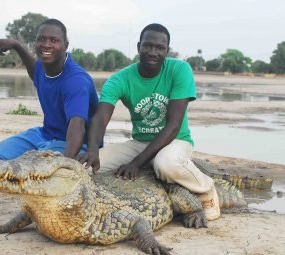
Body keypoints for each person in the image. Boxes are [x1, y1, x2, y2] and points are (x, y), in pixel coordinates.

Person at [78, 23, 220, 221]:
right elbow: (100, 118)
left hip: (175, 140)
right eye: (147, 46)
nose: (153, 52)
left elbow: (174, 125)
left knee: (166, 164)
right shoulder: (119, 79)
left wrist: (137, 163)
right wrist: (92, 149)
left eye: (159, 47)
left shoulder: (180, 69)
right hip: (140, 142)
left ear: (167, 51)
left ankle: (206, 188)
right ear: (139, 47)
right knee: (83, 168)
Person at [0, 19, 98, 160]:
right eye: (41, 39)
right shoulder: (42, 68)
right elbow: (35, 72)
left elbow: (78, 126)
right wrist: (16, 45)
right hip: (45, 134)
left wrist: (65, 163)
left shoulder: (76, 80)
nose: (46, 45)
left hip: (76, 143)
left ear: (65, 46)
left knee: (35, 165)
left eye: (54, 40)